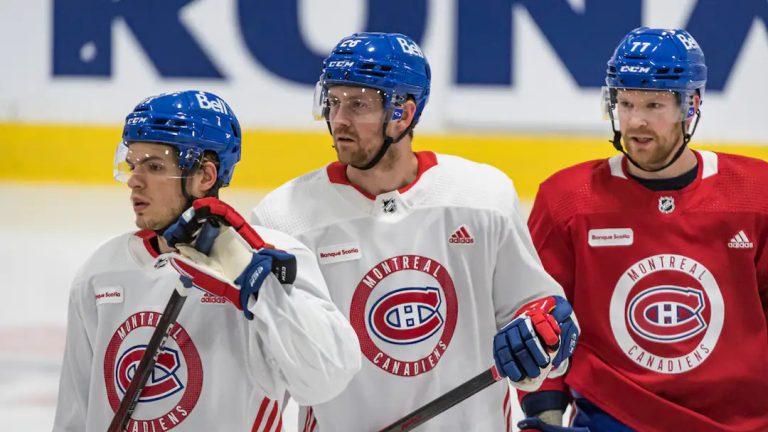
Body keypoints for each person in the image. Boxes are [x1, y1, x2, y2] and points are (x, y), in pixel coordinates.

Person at [251, 32, 579, 431]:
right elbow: (266, 370)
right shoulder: (284, 219)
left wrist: (540, 338)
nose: (338, 120)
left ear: (403, 114)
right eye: (333, 102)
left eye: (357, 104)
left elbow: (540, 315)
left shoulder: (482, 198)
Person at [52, 90, 361, 431]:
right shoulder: (102, 271)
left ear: (205, 177)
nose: (135, 181)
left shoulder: (272, 256)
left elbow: (327, 378)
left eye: (154, 166)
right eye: (133, 164)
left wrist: (260, 286)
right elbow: (75, 413)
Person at [522, 27, 768, 432]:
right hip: (614, 419)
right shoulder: (568, 201)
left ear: (692, 105)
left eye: (654, 104)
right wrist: (544, 412)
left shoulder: (754, 196)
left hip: (740, 423)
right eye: (625, 102)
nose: (636, 121)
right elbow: (539, 318)